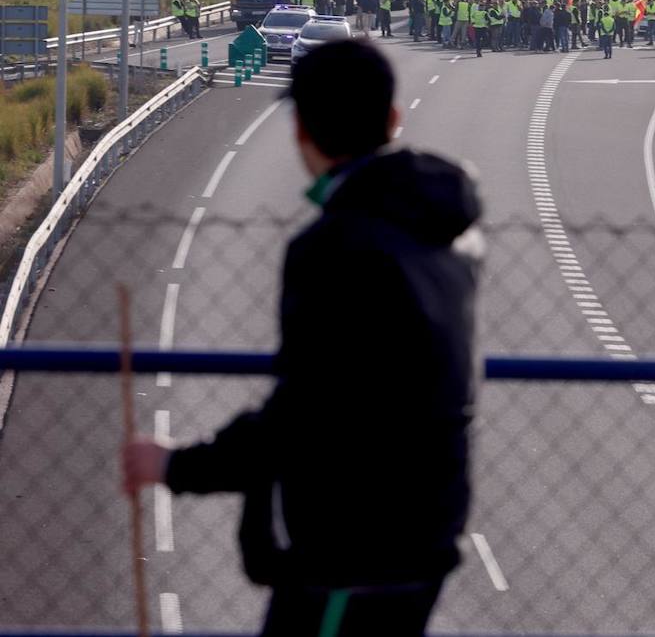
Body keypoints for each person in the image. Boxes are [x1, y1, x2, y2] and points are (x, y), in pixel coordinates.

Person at [122, 39, 481, 637]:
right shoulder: (452, 233)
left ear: (301, 135)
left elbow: (306, 412)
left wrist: (175, 466)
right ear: (393, 119)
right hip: (427, 527)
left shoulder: (333, 247)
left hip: (352, 543)